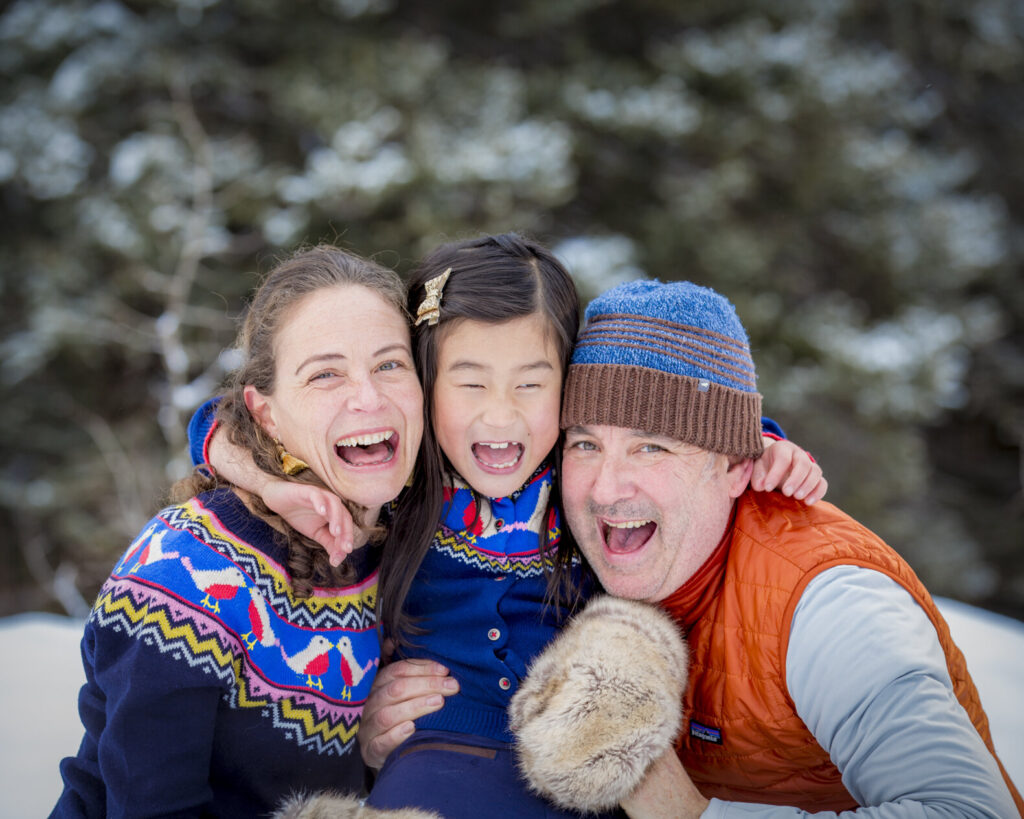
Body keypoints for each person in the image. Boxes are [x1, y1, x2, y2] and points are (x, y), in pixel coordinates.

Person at [193, 234, 827, 818]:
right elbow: (215, 424)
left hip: (575, 761)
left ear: (570, 386)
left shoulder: (579, 475)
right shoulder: (403, 476)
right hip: (437, 747)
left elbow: (678, 427)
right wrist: (272, 483)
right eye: (469, 383)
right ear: (422, 383)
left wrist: (762, 443)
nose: (502, 416)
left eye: (532, 383)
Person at [529, 278, 1021, 817]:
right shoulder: (555, 539)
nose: (604, 488)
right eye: (585, 443)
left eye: (652, 446)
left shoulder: (829, 602)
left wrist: (699, 817)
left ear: (737, 466)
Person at [51, 245, 424, 817]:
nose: (368, 398)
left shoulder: (403, 538)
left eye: (390, 364)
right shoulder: (188, 571)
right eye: (325, 373)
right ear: (266, 413)